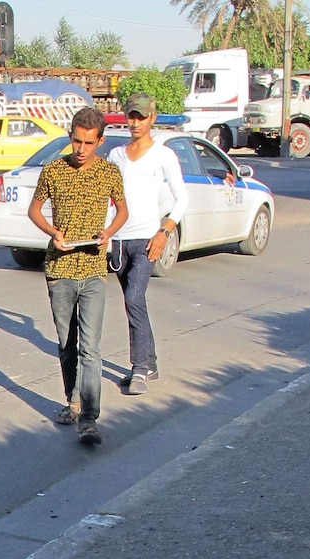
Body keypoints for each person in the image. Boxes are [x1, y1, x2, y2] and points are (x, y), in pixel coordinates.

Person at [28, 106, 128, 446]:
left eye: (88, 143)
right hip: (60, 269)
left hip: (94, 270)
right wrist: (52, 231)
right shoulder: (54, 170)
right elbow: (34, 209)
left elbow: (122, 210)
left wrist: (108, 231)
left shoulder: (110, 172)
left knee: (91, 348)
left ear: (99, 141)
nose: (81, 149)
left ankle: (88, 418)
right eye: (76, 141)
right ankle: (72, 401)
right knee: (67, 345)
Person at [106, 93, 188, 394]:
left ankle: (138, 368)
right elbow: (109, 201)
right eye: (131, 116)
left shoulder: (163, 155)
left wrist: (164, 232)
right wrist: (105, 235)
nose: (135, 122)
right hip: (119, 240)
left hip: (146, 241)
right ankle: (150, 361)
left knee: (133, 298)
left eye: (141, 117)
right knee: (133, 303)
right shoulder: (116, 155)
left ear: (152, 118)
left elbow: (182, 198)